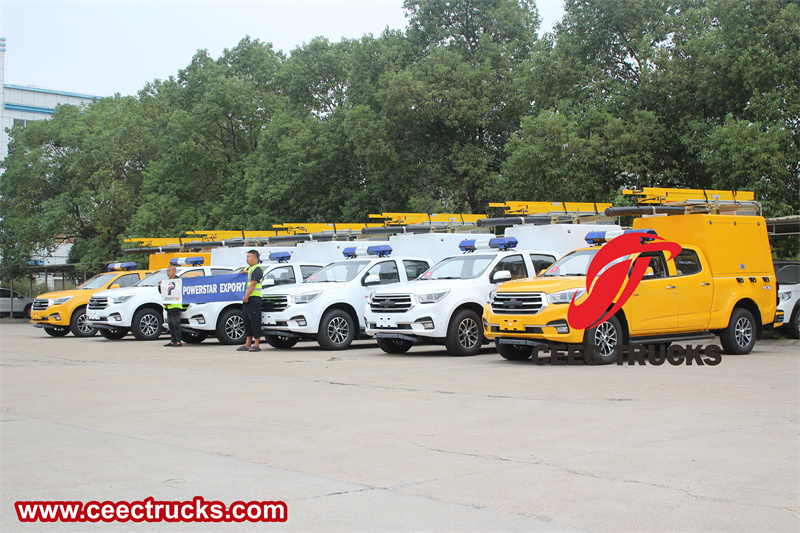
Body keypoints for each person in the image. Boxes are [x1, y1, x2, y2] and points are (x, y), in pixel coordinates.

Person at [238, 250, 263, 352]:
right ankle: (248, 343)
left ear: (255, 258)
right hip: (246, 299)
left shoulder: (257, 269)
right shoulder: (247, 269)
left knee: (254, 321)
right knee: (246, 321)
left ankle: (256, 344)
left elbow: (253, 284)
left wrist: (246, 296)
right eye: (247, 256)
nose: (247, 258)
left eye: (249, 257)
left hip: (254, 299)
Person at [163, 265, 184, 347]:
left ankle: (178, 341)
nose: (167, 273)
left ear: (174, 272)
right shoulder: (167, 282)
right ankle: (173, 340)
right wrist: (160, 286)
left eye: (169, 271)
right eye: (167, 271)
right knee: (170, 324)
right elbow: (163, 292)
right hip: (168, 306)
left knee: (176, 324)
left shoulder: (178, 281)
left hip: (175, 306)